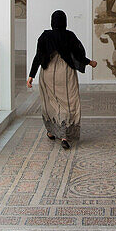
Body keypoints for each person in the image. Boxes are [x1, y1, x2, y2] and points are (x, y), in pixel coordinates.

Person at [27, 10, 97, 149]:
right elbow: (77, 55)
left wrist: (31, 75)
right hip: (65, 73)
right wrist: (89, 62)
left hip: (48, 73)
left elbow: (38, 57)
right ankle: (65, 136)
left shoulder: (45, 36)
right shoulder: (69, 35)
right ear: (65, 21)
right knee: (68, 102)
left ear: (52, 22)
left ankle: (51, 132)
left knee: (51, 102)